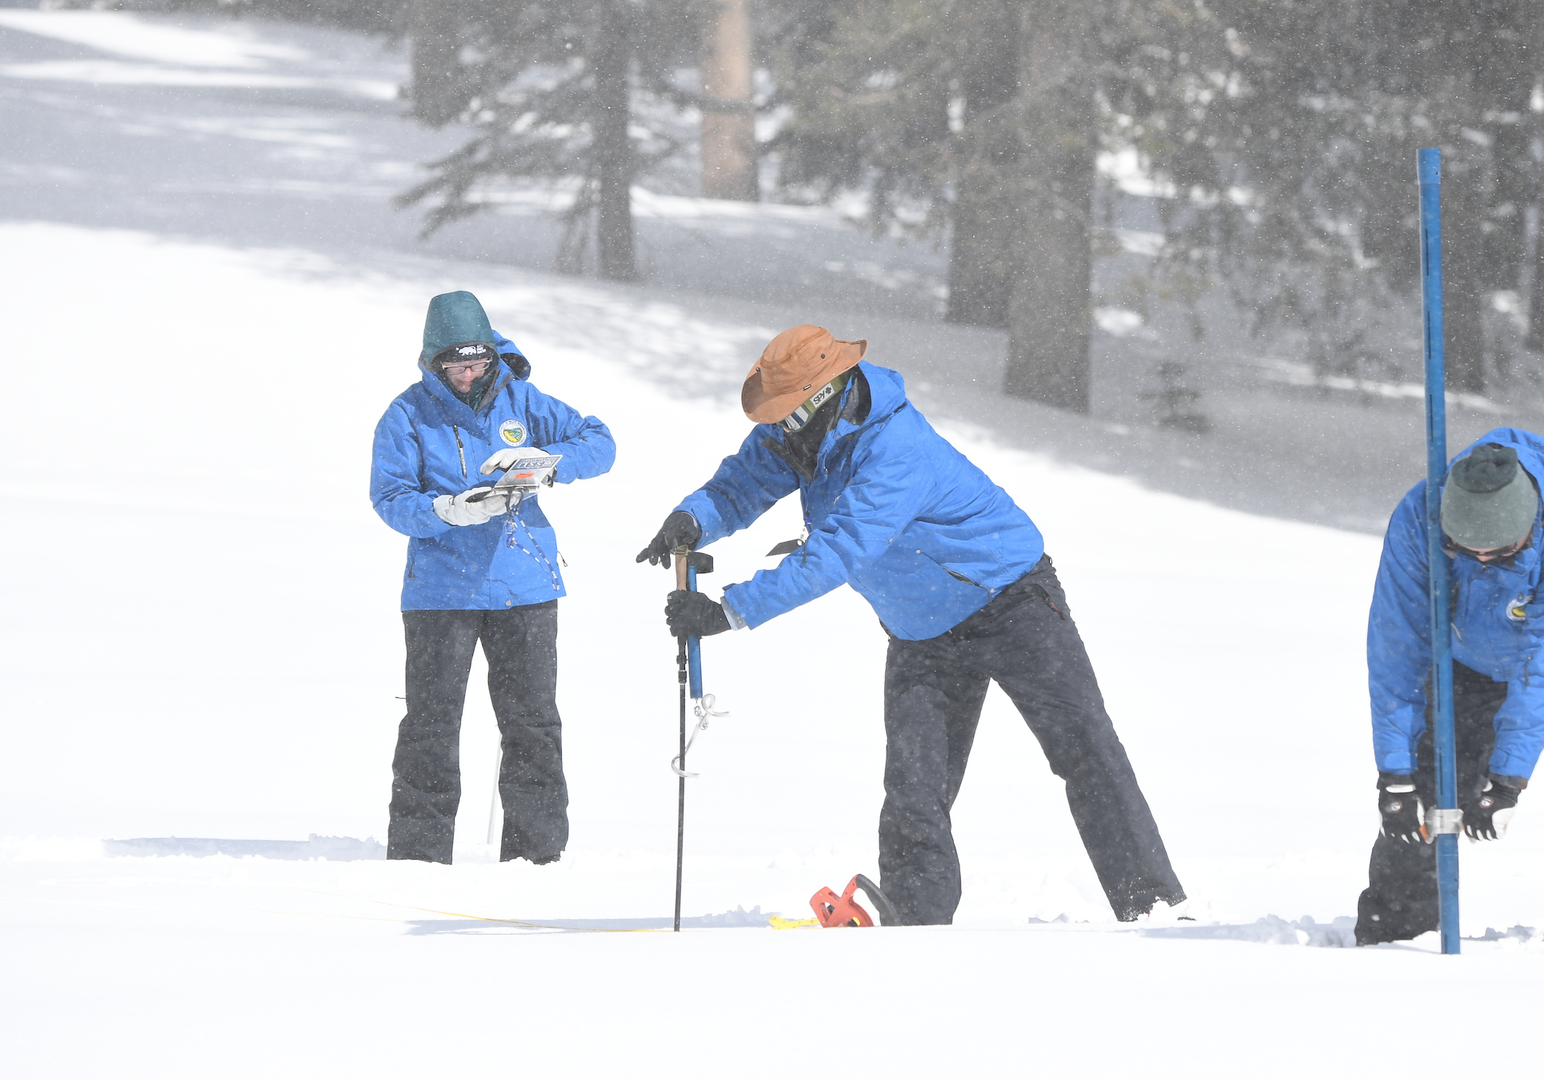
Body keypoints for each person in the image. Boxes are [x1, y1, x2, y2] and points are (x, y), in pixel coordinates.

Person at [635, 324, 1185, 925]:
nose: (776, 429)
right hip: (922, 630)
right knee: (914, 789)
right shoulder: (796, 434)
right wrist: (691, 519)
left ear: (825, 395)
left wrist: (730, 611)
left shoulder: (894, 447)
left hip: (1013, 603)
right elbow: (742, 483)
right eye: (772, 418)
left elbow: (839, 550)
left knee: (1085, 751)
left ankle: (1152, 907)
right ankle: (916, 924)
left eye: (785, 415)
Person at [1358, 428, 1544, 960]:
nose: (1479, 561)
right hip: (1469, 652)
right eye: (1462, 549)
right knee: (1431, 779)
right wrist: (1395, 775)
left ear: (1529, 528)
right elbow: (1397, 648)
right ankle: (1394, 932)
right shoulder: (1418, 517)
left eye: (1497, 553)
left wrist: (1506, 782)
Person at [370, 291, 615, 865]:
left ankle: (536, 858)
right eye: (456, 365)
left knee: (532, 724)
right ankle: (418, 858)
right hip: (439, 593)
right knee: (430, 726)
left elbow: (600, 442)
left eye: (478, 363)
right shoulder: (406, 414)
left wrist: (549, 465)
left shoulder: (523, 400)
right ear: (433, 361)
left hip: (523, 586)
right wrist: (445, 512)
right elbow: (389, 496)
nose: (468, 374)